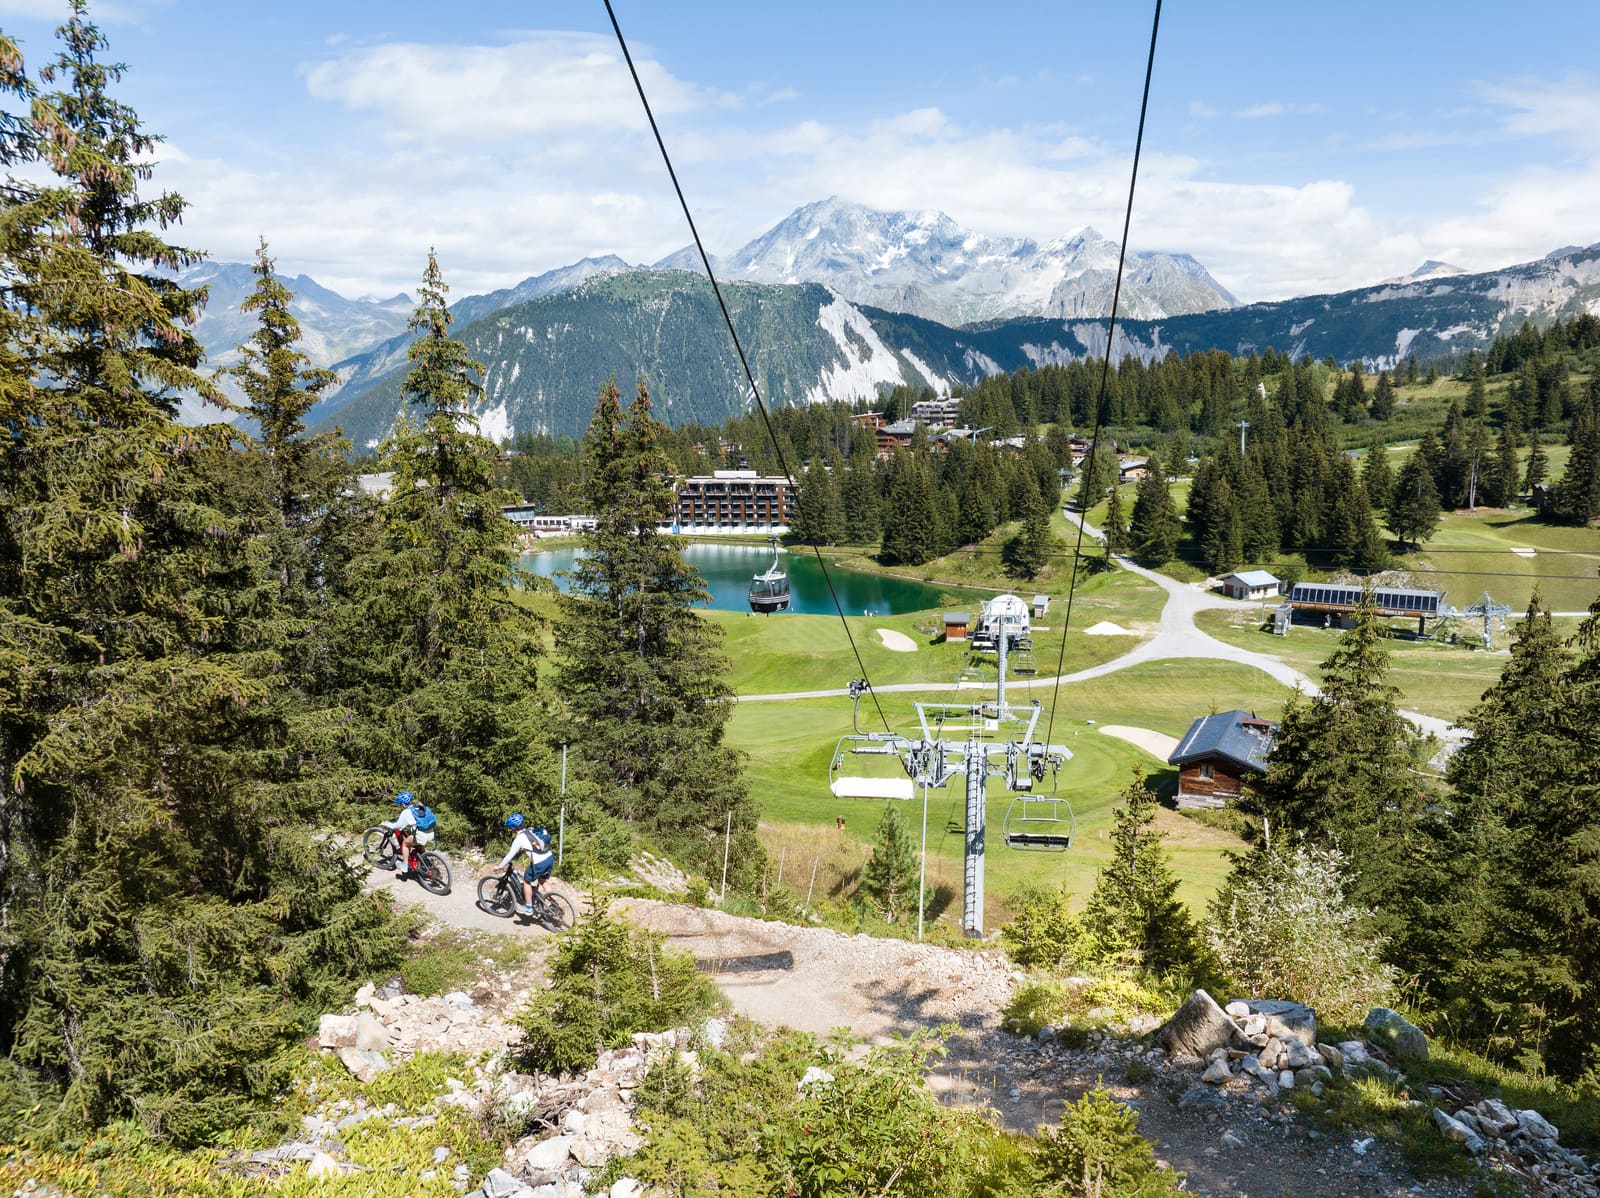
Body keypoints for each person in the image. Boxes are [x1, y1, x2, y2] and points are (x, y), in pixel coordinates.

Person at [495, 813, 554, 916]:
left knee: (526, 881)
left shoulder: (519, 839)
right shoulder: (531, 829)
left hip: (539, 862)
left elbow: (509, 856)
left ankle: (528, 907)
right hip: (549, 857)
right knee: (542, 880)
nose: (510, 829)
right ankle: (553, 902)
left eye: (510, 827)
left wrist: (499, 866)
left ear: (513, 828)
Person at [382, 791, 437, 878]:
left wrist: (387, 824)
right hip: (431, 833)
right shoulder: (419, 805)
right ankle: (424, 861)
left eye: (400, 804)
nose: (400, 806)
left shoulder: (406, 812)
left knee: (405, 844)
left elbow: (397, 826)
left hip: (421, 836)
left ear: (403, 804)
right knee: (417, 843)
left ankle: (404, 866)